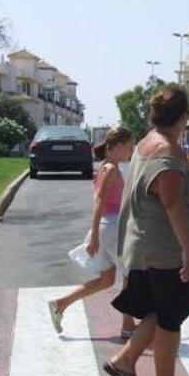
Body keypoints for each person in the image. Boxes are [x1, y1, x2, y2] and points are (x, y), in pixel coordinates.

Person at [103, 84, 189, 376]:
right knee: (170, 316)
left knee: (162, 311)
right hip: (164, 251)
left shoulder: (145, 144)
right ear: (183, 118)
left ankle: (126, 362)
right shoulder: (168, 151)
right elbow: (171, 202)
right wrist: (188, 249)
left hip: (145, 247)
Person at [48, 127, 137, 338]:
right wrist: (95, 234)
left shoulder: (107, 167)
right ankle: (127, 324)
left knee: (107, 279)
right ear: (119, 146)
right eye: (131, 146)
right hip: (111, 228)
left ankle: (60, 305)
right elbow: (99, 202)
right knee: (132, 273)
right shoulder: (111, 170)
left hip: (108, 227)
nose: (132, 150)